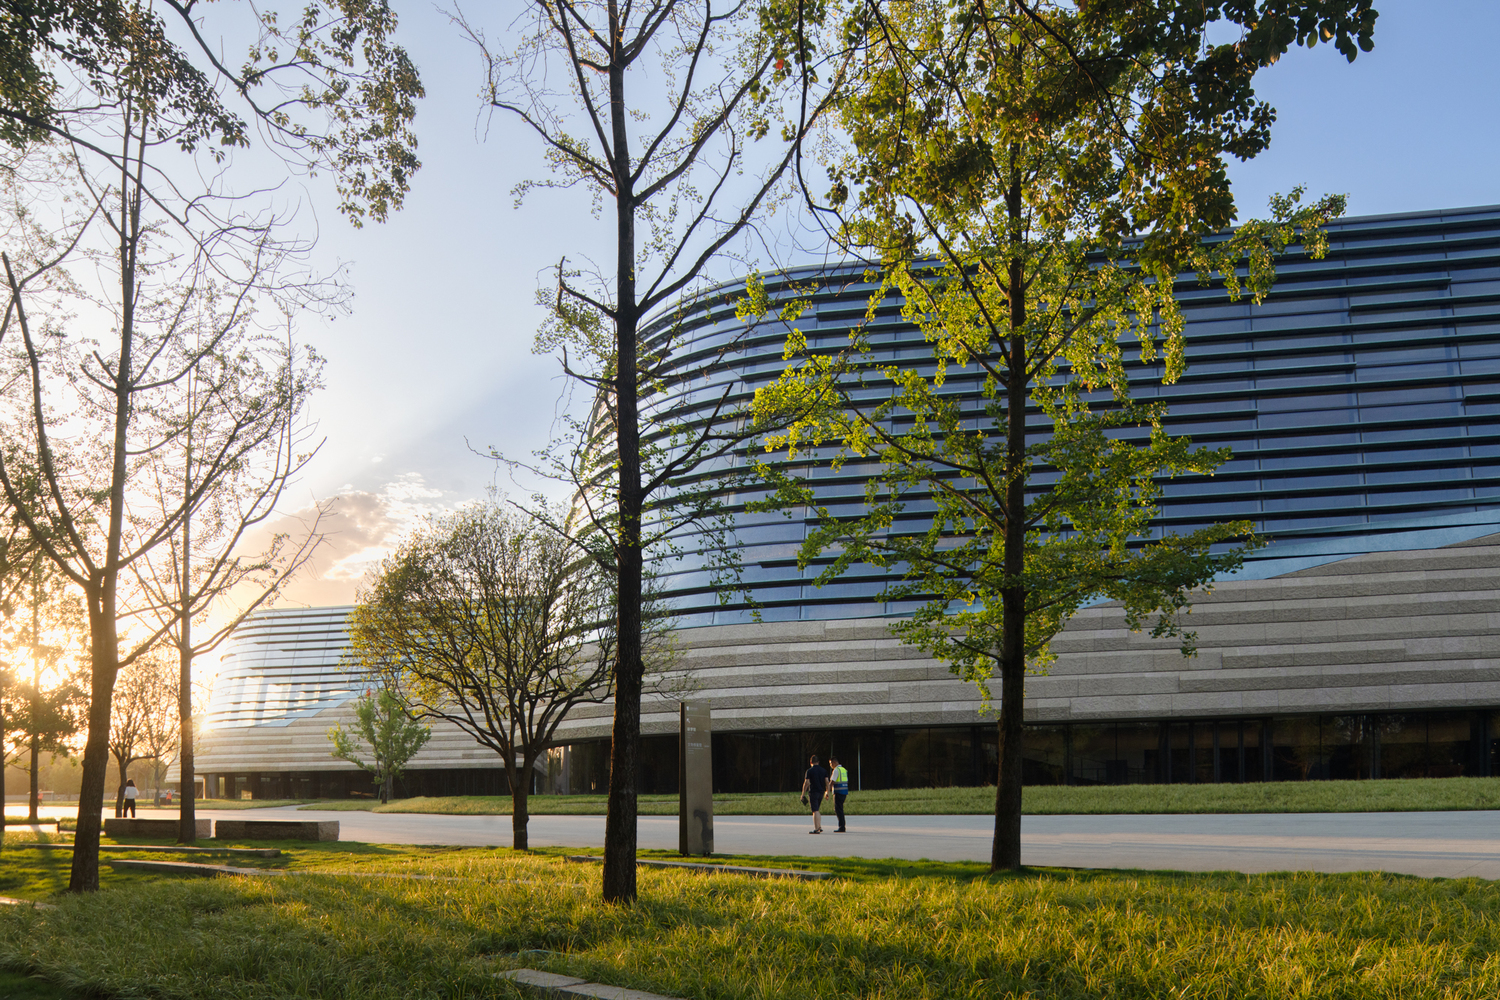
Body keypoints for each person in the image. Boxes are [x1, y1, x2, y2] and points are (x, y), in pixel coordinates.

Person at [800, 754, 829, 834]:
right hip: (821, 792)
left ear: (810, 762)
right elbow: (827, 782)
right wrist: (827, 792)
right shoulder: (823, 770)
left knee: (815, 810)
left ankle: (816, 828)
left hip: (813, 792)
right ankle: (819, 826)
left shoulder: (809, 771)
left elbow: (807, 782)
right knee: (817, 810)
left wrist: (803, 794)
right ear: (818, 762)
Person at [828, 755, 849, 832]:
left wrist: (827, 791)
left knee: (838, 810)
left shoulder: (836, 770)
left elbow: (832, 782)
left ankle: (842, 827)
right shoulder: (843, 770)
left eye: (830, 763)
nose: (830, 766)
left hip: (838, 792)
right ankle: (842, 826)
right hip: (844, 792)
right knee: (840, 809)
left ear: (834, 762)